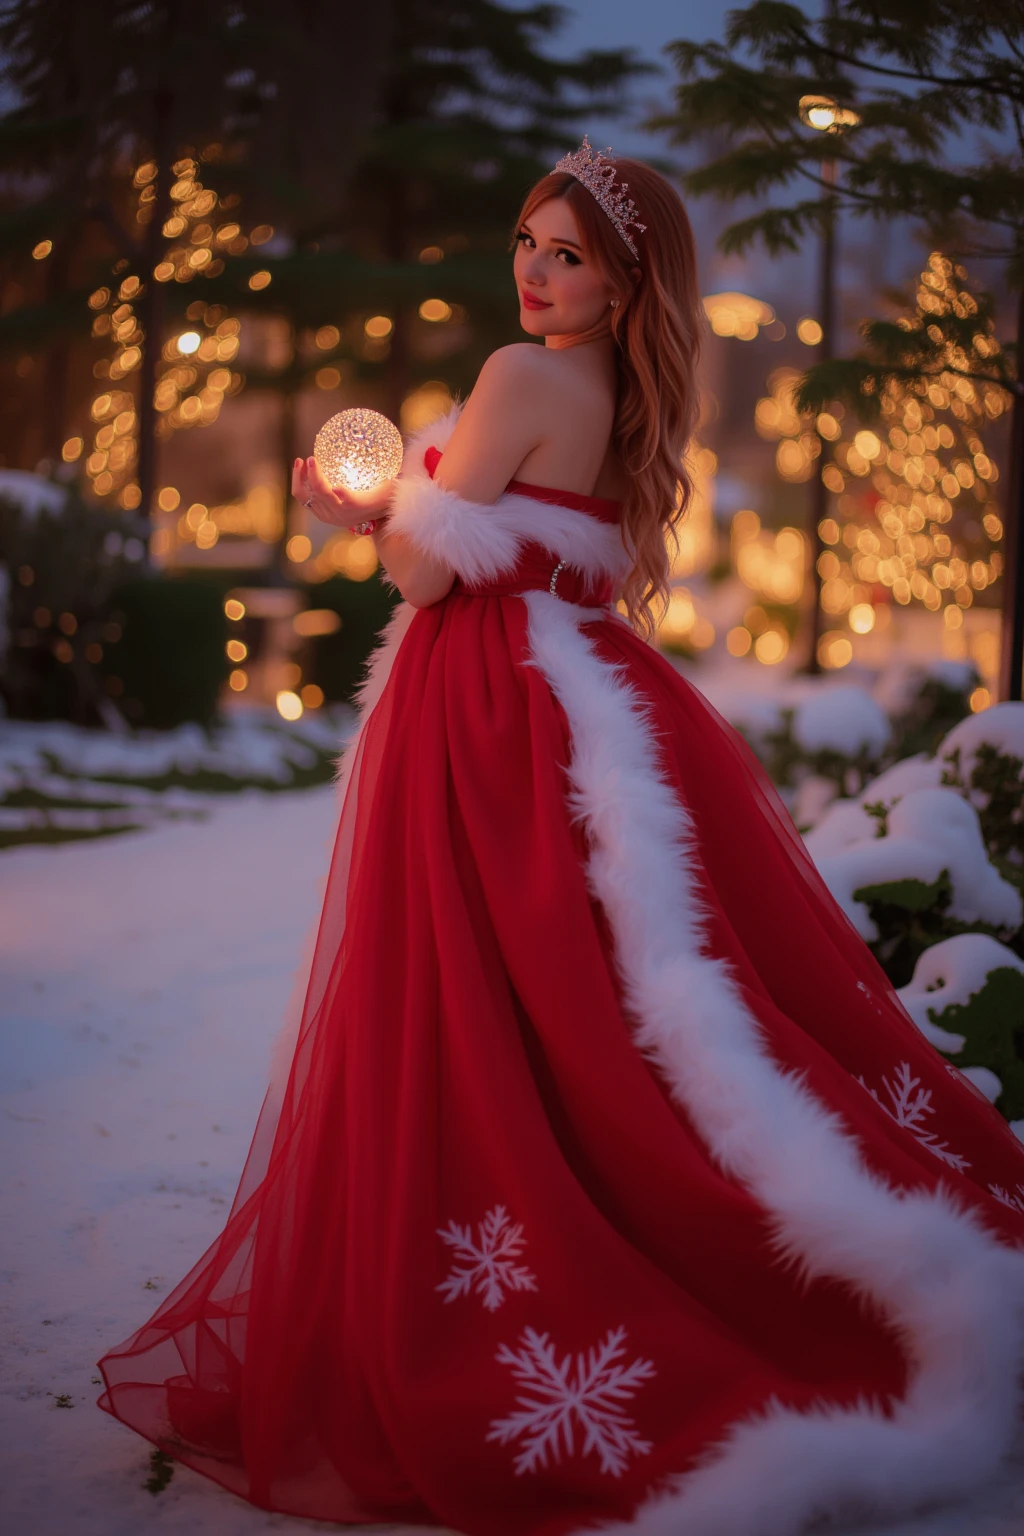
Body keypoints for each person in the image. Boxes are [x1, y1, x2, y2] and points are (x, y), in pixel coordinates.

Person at [97, 137, 1024, 1536]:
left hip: (483, 712)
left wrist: (362, 499)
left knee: (470, 990)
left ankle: (485, 1275)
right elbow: (511, 528)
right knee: (562, 994)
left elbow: (424, 562)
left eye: (569, 254)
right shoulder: (607, 388)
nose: (535, 272)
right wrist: (427, 486)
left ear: (620, 278)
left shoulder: (517, 377)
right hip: (576, 696)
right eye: (529, 241)